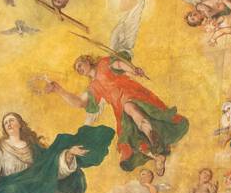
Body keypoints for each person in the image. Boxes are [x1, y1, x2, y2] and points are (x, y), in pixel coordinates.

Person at [44, 55, 188, 176]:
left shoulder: (103, 64)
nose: (80, 70)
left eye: (80, 65)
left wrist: (132, 69)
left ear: (88, 60)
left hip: (130, 92)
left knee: (132, 109)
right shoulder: (93, 87)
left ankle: (156, 144)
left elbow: (118, 63)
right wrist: (59, 90)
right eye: (78, 70)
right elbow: (80, 103)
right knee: (131, 138)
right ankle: (157, 156)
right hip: (119, 108)